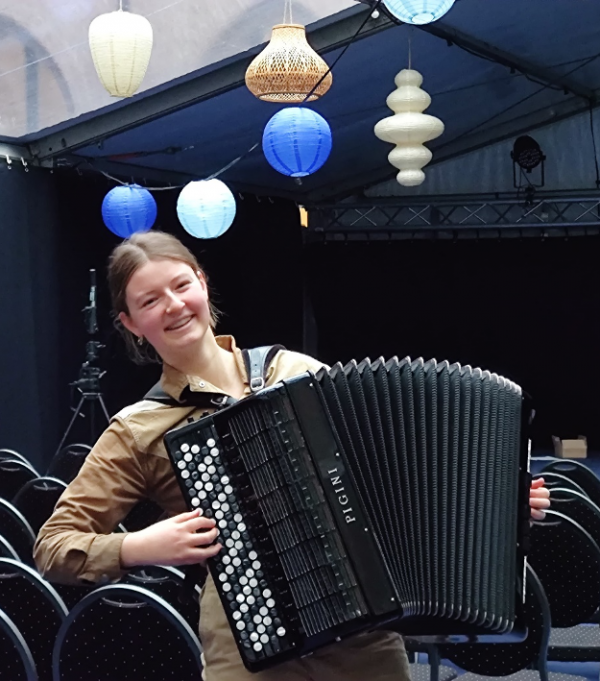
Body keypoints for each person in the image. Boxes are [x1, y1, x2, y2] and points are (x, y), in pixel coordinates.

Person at [34, 230, 550, 681]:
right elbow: (53, 547)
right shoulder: (137, 428)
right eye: (149, 301)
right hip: (248, 647)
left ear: (202, 282)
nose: (172, 305)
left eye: (181, 285)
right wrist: (138, 548)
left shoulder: (297, 371)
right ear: (129, 323)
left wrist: (499, 505)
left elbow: (393, 480)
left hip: (363, 636)